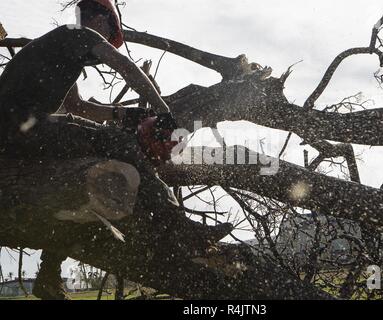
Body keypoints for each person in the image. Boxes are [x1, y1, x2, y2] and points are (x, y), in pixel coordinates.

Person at [0, 0, 232, 299]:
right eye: (108, 37)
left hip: (14, 134)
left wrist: (125, 115)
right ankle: (180, 229)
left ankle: (48, 273)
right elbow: (126, 68)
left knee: (75, 182)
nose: (107, 44)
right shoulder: (80, 34)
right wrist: (164, 114)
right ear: (102, 21)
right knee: (118, 143)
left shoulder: (59, 48)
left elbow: (78, 107)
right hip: (18, 129)